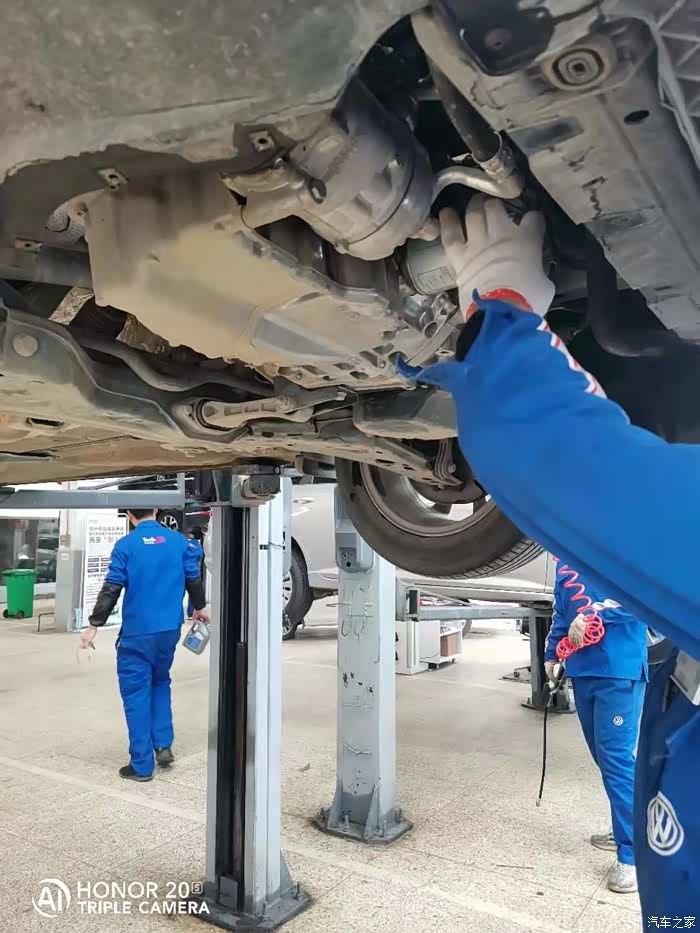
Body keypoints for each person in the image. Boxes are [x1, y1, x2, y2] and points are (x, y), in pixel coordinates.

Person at [398, 194, 700, 917]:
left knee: (618, 763)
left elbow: (560, 466)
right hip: (597, 672)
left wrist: (505, 307)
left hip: (615, 670)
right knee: (614, 764)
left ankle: (626, 853)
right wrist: (560, 642)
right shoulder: (581, 563)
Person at [80, 508, 209, 781]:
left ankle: (141, 764)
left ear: (129, 514)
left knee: (136, 693)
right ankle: (163, 744)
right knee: (160, 681)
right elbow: (193, 577)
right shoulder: (178, 542)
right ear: (156, 510)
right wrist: (199, 607)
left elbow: (112, 588)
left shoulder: (126, 545)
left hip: (138, 634)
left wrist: (93, 625)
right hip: (169, 630)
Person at [544, 563, 648, 894]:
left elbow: (642, 598)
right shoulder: (565, 563)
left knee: (617, 761)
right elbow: (562, 611)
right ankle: (626, 826)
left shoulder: (623, 548)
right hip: (582, 669)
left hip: (618, 668)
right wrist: (551, 653)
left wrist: (594, 615)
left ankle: (633, 855)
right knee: (603, 758)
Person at [185, 527, 205, 619]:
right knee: (193, 594)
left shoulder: (186, 543)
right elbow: (199, 558)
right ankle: (190, 613)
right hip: (194, 574)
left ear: (192, 534)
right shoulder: (198, 546)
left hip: (182, 572)